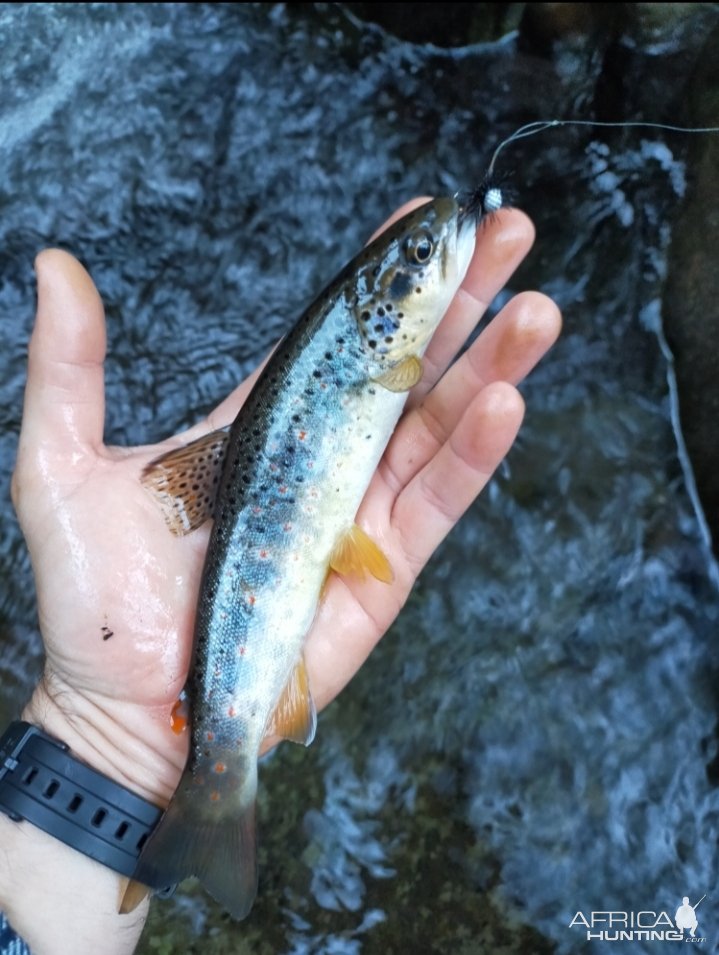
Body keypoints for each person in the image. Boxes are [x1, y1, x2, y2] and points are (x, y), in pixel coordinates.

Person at [0, 201, 560, 954]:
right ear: (385, 313)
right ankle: (206, 806)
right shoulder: (381, 351)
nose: (442, 244)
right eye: (423, 256)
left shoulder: (390, 348)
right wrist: (111, 748)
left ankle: (193, 817)